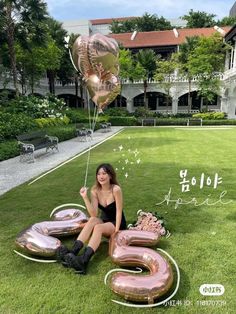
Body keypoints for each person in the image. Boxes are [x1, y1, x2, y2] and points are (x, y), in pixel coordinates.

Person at [56, 163, 127, 274]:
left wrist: (117, 232)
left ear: (110, 176)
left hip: (117, 223)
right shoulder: (95, 191)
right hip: (104, 221)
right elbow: (94, 214)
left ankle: (84, 260)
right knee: (92, 220)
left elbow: (119, 211)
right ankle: (74, 251)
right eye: (98, 174)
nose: (101, 176)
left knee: (98, 227)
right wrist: (85, 197)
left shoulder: (116, 189)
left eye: (104, 173)